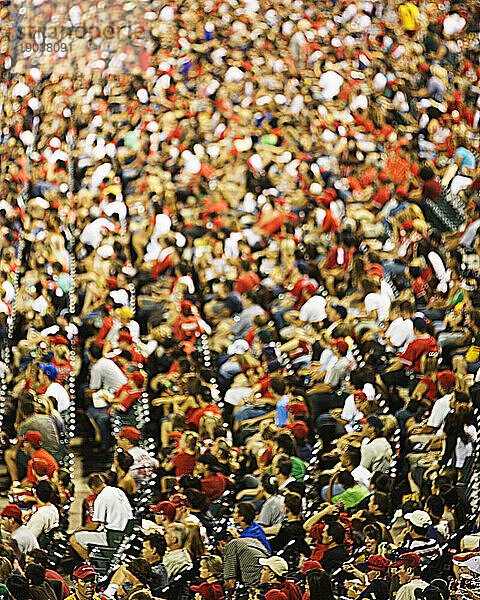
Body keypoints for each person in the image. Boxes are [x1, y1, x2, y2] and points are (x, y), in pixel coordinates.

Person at [69, 473, 133, 560]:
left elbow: (94, 526)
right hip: (125, 534)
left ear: (92, 487)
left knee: (73, 539)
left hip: (112, 537)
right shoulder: (118, 491)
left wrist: (80, 529)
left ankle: (90, 566)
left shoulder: (101, 497)